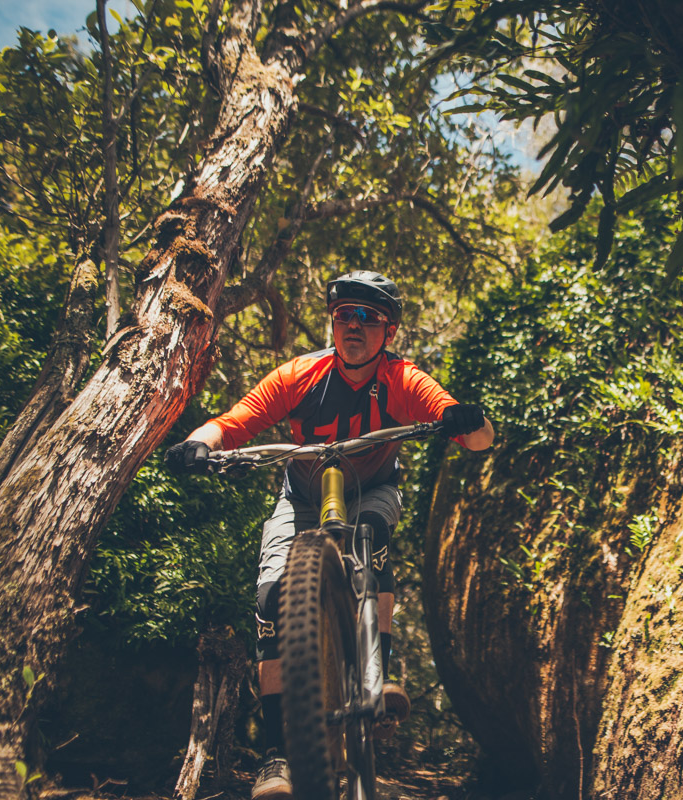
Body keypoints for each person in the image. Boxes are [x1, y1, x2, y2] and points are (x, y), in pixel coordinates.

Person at [165, 270, 494, 800]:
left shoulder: (401, 378)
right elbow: (236, 421)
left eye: (368, 317)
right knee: (272, 598)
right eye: (344, 315)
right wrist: (199, 442)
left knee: (371, 533)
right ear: (332, 323)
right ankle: (276, 758)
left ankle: (378, 670)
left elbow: (471, 433)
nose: (354, 326)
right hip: (300, 497)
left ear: (388, 332)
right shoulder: (301, 375)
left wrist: (465, 421)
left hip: (371, 491)